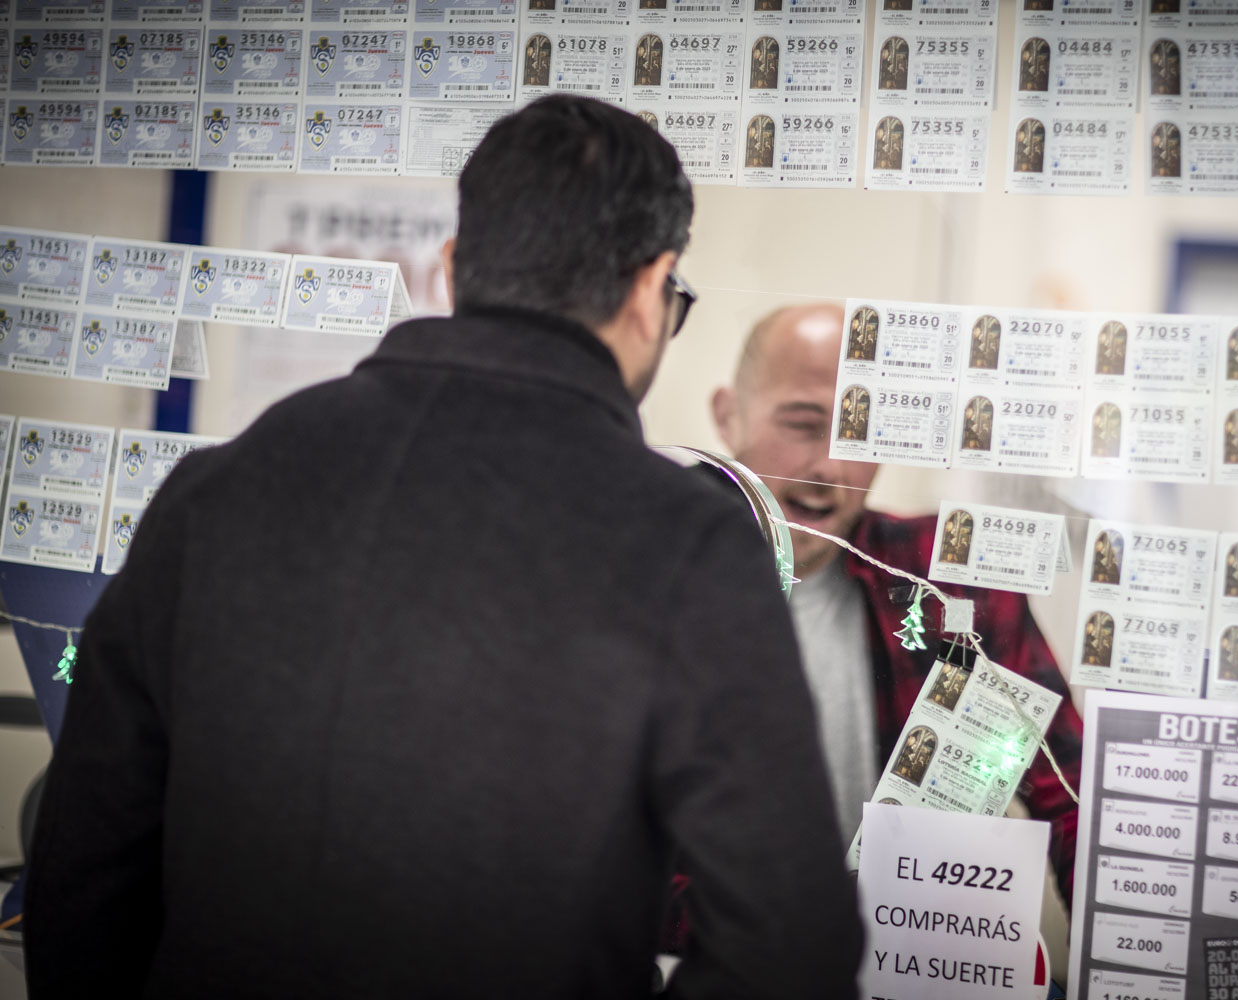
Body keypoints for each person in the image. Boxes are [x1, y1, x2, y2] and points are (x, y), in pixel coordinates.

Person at [25, 97, 861, 999]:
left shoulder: (217, 491)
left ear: (453, 268)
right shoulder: (688, 540)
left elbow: (84, 866)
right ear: (654, 289)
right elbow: (789, 939)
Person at [710, 302, 1085, 902]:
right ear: (727, 418)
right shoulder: (661, 589)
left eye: (860, 432)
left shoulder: (954, 587)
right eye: (803, 424)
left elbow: (1073, 799)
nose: (829, 465)